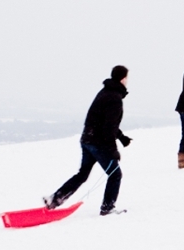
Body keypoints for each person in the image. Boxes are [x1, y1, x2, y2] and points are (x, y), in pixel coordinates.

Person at [44, 65, 132, 215]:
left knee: (82, 174)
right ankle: (107, 208)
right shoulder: (115, 99)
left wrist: (121, 136)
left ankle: (55, 198)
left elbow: (101, 121)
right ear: (123, 79)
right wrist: (113, 151)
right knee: (115, 174)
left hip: (87, 140)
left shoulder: (105, 92)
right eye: (127, 78)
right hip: (99, 144)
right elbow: (108, 128)